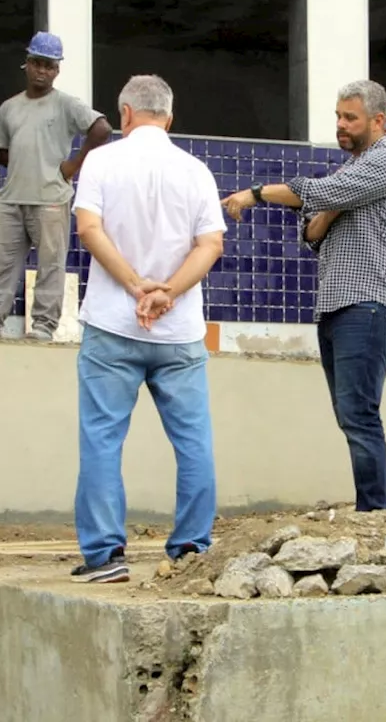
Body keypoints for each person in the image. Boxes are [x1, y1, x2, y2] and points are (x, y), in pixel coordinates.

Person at [222, 80, 386, 512]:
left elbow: (318, 196)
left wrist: (257, 193)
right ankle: (372, 509)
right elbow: (311, 230)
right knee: (350, 415)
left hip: (368, 303)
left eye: (351, 118)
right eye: (338, 116)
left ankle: (376, 513)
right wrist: (334, 202)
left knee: (359, 414)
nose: (341, 125)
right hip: (335, 305)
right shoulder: (351, 171)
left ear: (379, 121)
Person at [69, 75, 225, 583]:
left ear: (126, 115)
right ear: (170, 118)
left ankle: (104, 558)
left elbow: (89, 229)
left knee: (102, 439)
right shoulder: (196, 170)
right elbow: (210, 246)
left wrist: (137, 286)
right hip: (179, 333)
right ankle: (190, 551)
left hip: (113, 326)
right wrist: (168, 293)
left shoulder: (102, 161)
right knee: (193, 442)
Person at [0, 31, 112, 341]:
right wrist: (27, 162)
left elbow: (102, 127)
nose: (43, 71)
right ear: (27, 64)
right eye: (37, 63)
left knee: (50, 266)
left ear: (57, 70)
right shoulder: (9, 107)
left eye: (49, 66)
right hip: (12, 199)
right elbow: (1, 151)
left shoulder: (65, 104)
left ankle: (43, 327)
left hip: (50, 198)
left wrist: (74, 165)